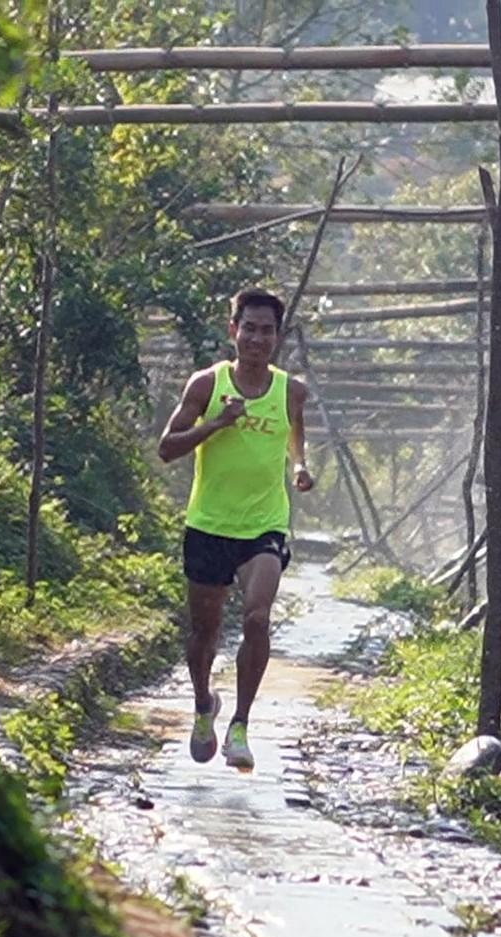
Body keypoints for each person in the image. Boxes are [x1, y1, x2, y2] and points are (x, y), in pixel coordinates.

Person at [156, 288, 313, 770]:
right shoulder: (206, 384)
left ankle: (240, 725)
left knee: (257, 620)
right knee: (203, 634)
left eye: (267, 330)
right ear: (233, 331)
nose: (257, 338)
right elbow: (167, 447)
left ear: (277, 337)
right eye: (249, 328)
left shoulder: (291, 391)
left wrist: (301, 467)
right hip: (208, 525)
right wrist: (218, 424)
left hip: (264, 525)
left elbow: (295, 436)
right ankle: (204, 703)